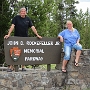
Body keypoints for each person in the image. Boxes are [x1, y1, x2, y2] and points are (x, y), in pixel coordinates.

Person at [4, 7, 42, 72]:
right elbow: (12, 26)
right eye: (22, 11)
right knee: (15, 52)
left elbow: (32, 27)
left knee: (24, 52)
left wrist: (37, 35)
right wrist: (9, 34)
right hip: (17, 38)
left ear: (26, 12)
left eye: (24, 11)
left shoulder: (28, 19)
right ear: (20, 12)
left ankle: (23, 67)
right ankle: (11, 67)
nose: (23, 12)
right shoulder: (16, 18)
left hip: (25, 38)